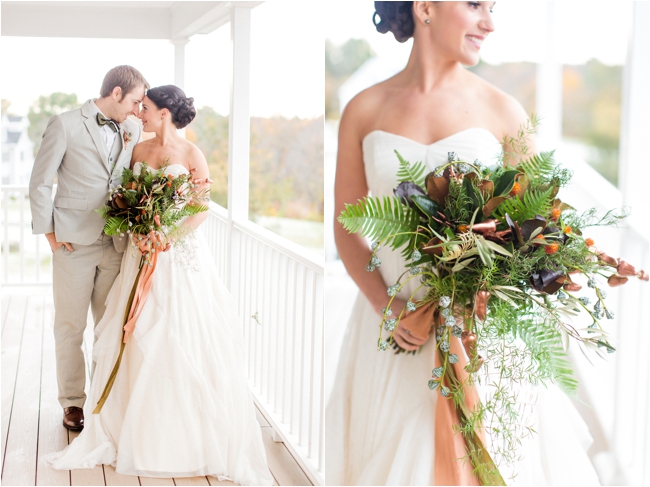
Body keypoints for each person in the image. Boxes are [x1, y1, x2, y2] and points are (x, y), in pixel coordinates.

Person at [327, 2, 600, 485]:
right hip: (394, 336)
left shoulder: (503, 110)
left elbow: (539, 227)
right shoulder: (364, 109)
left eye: (492, 8)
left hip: (484, 339)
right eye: (475, 4)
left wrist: (486, 290)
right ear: (426, 6)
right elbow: (348, 226)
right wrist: (388, 309)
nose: (490, 23)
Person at [44, 85, 274, 484]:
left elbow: (201, 205)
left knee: (175, 333)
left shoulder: (191, 154)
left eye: (146, 108)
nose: (140, 114)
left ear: (165, 113)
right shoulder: (137, 149)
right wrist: (139, 228)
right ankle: (126, 423)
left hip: (176, 256)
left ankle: (179, 432)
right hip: (138, 252)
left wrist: (169, 233)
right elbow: (123, 196)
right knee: (134, 334)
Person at [29, 65, 148, 431]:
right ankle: (73, 403)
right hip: (72, 243)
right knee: (69, 327)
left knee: (108, 327)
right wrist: (50, 234)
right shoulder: (64, 124)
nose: (137, 109)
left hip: (116, 243)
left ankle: (103, 398)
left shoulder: (133, 128)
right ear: (115, 93)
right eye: (134, 101)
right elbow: (39, 183)